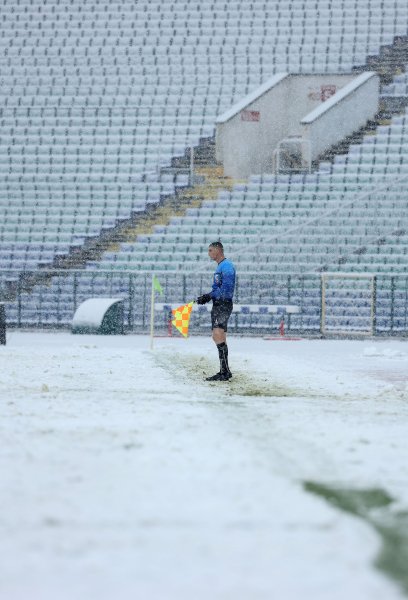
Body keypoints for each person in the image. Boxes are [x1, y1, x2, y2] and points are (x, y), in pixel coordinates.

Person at [197, 241, 236, 381]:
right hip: (218, 304)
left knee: (218, 334)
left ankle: (224, 371)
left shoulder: (227, 266)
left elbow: (226, 288)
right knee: (218, 336)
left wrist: (209, 295)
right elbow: (218, 289)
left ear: (218, 250)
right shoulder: (221, 266)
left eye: (210, 250)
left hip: (223, 304)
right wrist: (207, 297)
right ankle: (224, 370)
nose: (209, 253)